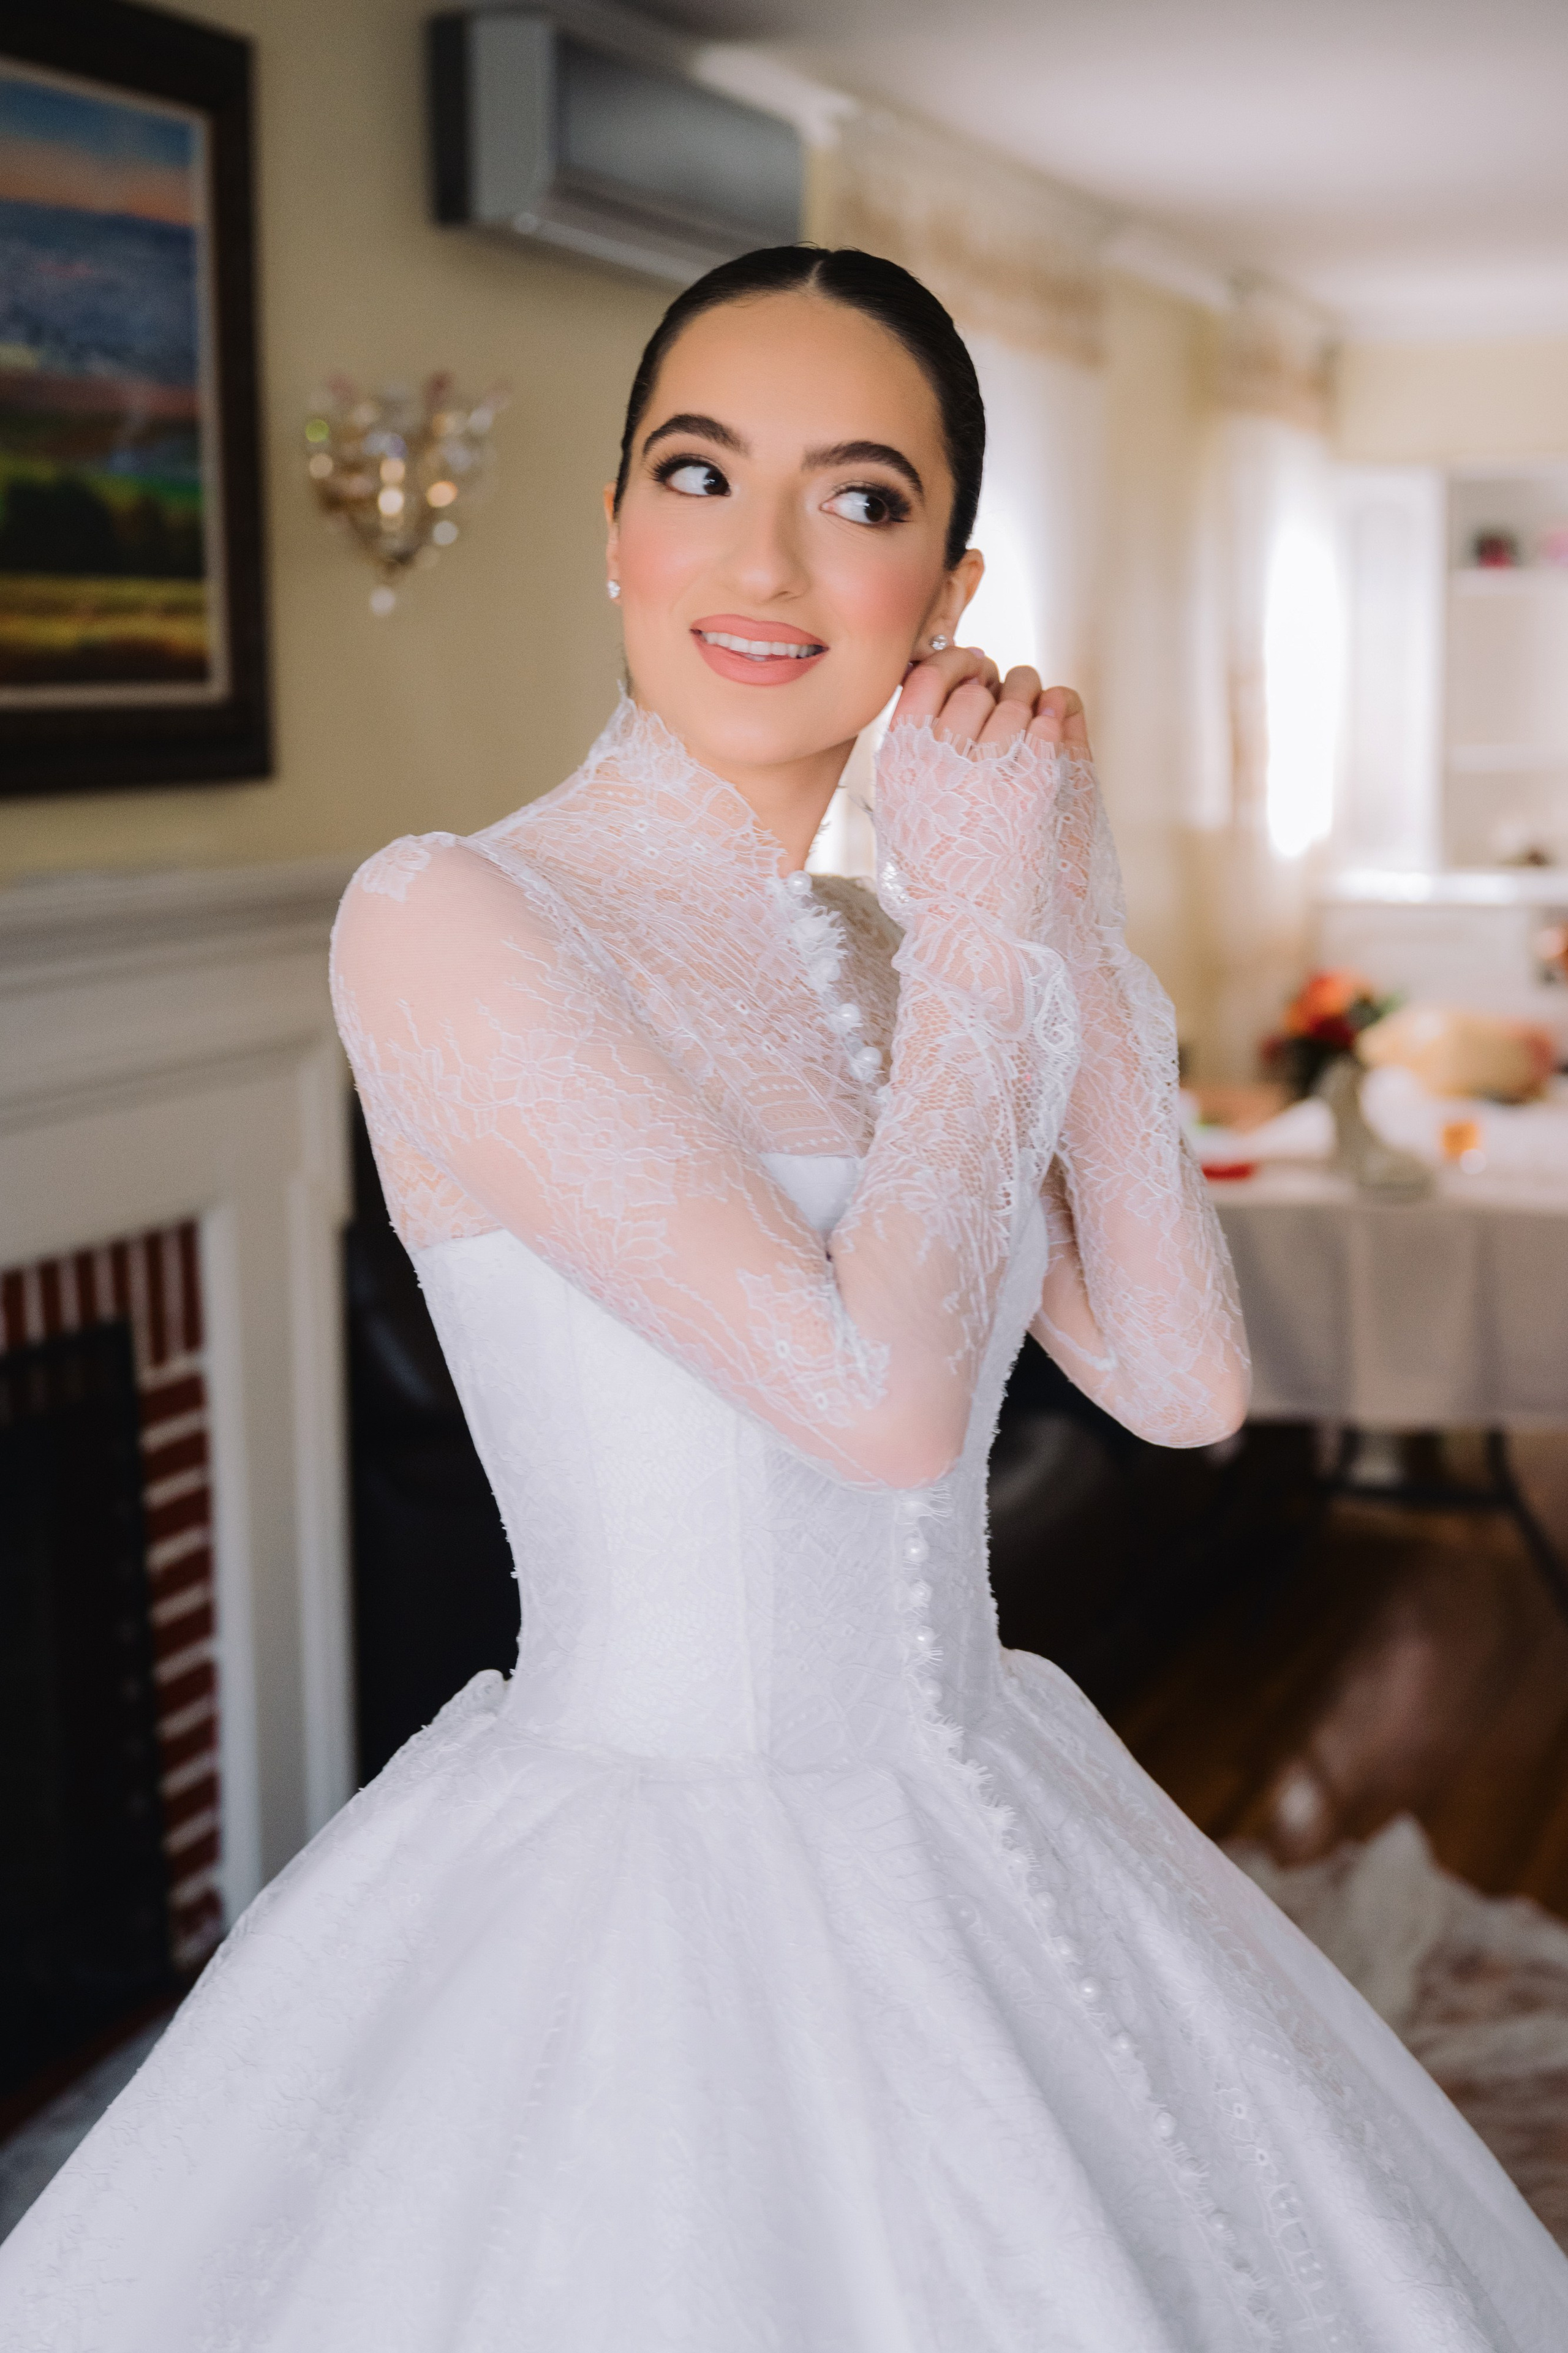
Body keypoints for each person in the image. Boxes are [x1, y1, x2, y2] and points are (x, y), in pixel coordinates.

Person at [2, 244, 1564, 2352]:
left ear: (953, 589)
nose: (762, 557)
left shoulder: (919, 953)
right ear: (615, 535)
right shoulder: (455, 913)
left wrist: (1056, 897)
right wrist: (1003, 960)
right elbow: (888, 1404)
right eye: (697, 471)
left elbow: (1187, 1381)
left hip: (985, 1789)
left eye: (859, 496)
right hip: (646, 1860)